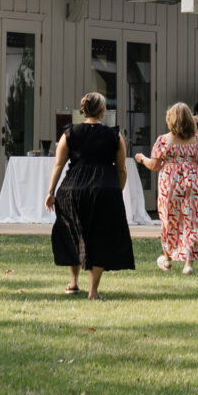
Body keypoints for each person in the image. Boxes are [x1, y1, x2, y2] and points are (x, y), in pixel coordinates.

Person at [48, 91, 136, 297]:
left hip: (72, 190)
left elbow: (58, 164)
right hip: (105, 190)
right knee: (100, 237)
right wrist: (116, 190)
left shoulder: (69, 133)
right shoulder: (115, 135)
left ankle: (73, 282)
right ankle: (94, 291)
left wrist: (51, 192)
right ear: (103, 112)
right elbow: (122, 169)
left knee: (73, 232)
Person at [137, 102, 198, 274]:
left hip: (169, 187)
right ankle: (188, 264)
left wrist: (141, 158)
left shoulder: (163, 141)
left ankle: (168, 259)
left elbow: (155, 165)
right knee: (190, 222)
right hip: (193, 185)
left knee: (168, 220)